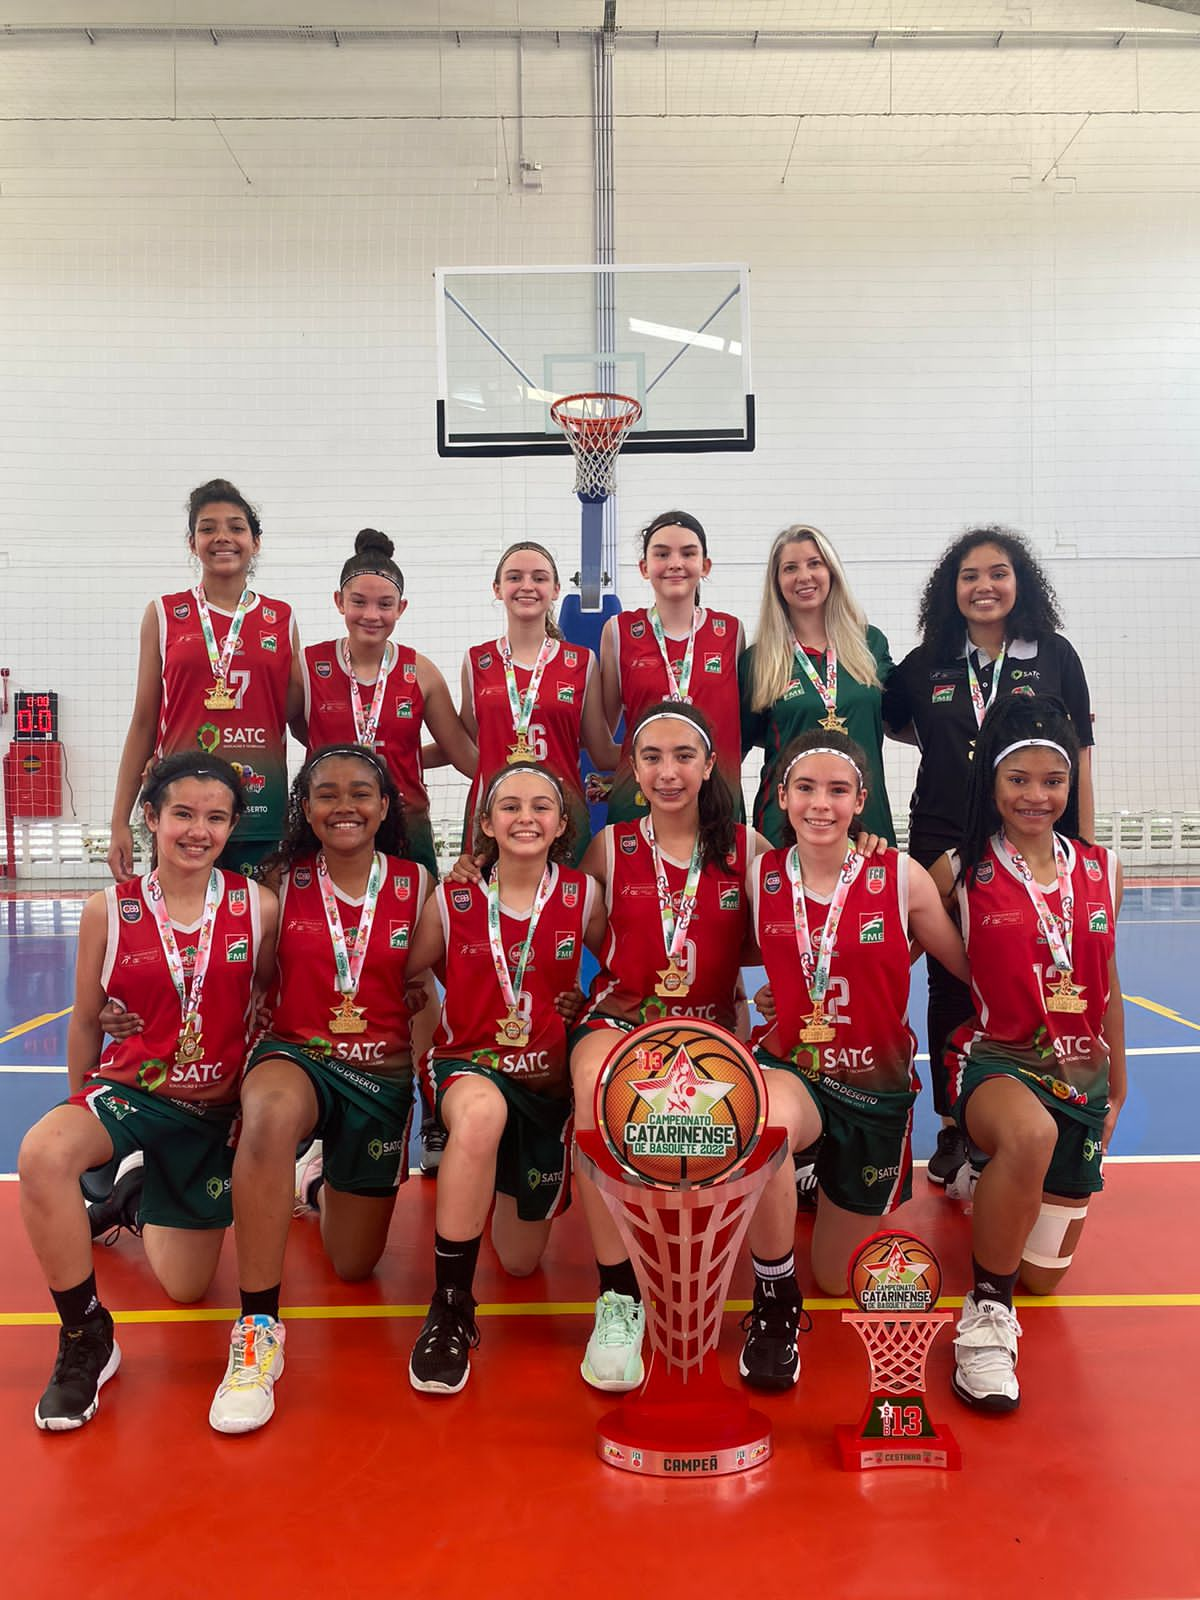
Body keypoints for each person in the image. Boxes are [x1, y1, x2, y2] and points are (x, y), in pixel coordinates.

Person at [18, 754, 276, 1430]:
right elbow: (83, 1019)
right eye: (183, 814)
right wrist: (82, 1124)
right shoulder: (110, 909)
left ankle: (133, 1196)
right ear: (152, 819)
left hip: (213, 1113)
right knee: (43, 1155)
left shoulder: (259, 908)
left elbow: (270, 1016)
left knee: (187, 1290)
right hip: (132, 1095)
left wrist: (256, 1102)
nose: (198, 830)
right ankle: (85, 1337)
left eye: (215, 817)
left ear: (230, 828)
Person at [205, 745, 430, 1433]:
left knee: (354, 1266)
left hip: (380, 1076)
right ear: (305, 806)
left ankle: (314, 1183)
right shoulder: (277, 880)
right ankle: (257, 1328)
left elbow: (437, 987)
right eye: (326, 793)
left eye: (361, 793)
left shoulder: (419, 884)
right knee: (270, 1115)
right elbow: (233, 973)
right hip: (296, 1054)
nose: (345, 806)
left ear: (385, 807)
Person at [743, 729, 969, 1389]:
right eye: (806, 788)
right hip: (796, 1073)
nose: (821, 804)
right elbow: (699, 944)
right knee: (766, 1132)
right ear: (781, 796)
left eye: (838, 791)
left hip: (876, 1088)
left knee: (837, 1278)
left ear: (860, 800)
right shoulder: (759, 873)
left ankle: (813, 1180)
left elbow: (965, 967)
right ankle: (773, 1305)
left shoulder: (897, 876)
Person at [883, 526, 1096, 1188]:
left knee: (1014, 969)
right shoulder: (926, 664)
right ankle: (954, 1126)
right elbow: (897, 724)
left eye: (998, 573)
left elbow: (1079, 754)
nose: (984, 586)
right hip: (943, 834)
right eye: (970, 575)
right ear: (951, 590)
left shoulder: (1054, 655)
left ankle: (1034, 1104)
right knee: (949, 976)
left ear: (1019, 583)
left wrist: (1084, 850)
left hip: (1025, 836)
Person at [930, 694, 1123, 1414]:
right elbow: (882, 933)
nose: (1037, 796)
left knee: (1045, 1276)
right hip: (997, 1064)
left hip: (1082, 1078)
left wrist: (1119, 1088)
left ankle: (995, 1179)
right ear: (994, 784)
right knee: (1029, 1136)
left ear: (1071, 785)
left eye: (1053, 780)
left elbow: (1107, 987)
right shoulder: (962, 866)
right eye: (1020, 780)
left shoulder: (1104, 869)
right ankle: (985, 1318)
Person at [570, 700, 762, 1392]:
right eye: (652, 757)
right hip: (627, 1024)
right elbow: (587, 933)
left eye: (685, 756)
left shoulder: (746, 848)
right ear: (634, 769)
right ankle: (618, 1295)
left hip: (711, 1031)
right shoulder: (610, 846)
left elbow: (789, 931)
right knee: (593, 1080)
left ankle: (741, 1282)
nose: (669, 771)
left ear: (710, 765)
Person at [404, 763, 603, 1395]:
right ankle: (451, 1307)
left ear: (561, 824)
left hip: (544, 1085)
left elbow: (624, 972)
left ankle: (478, 1181)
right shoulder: (451, 896)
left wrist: (581, 1004)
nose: (525, 817)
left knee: (518, 1262)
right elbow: (407, 974)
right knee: (481, 1115)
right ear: (485, 823)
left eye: (541, 806)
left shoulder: (584, 895)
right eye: (509, 806)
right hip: (469, 1066)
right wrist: (452, 1006)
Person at [107, 478, 301, 882]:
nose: (222, 537)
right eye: (207, 528)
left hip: (259, 807)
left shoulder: (281, 618)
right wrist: (118, 822)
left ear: (255, 541)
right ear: (192, 542)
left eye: (235, 527)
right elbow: (144, 721)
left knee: (260, 935)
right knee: (179, 937)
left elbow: (299, 717)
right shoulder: (163, 613)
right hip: (180, 809)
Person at [299, 528, 476, 879]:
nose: (371, 614)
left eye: (385, 604)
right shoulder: (306, 666)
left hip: (405, 823)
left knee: (414, 929)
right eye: (359, 601)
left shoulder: (421, 672)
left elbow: (461, 754)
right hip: (333, 820)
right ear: (339, 601)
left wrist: (530, 776)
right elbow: (295, 730)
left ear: (401, 608)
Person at [456, 542, 620, 865]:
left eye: (540, 578)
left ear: (556, 589)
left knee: (568, 909)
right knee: (492, 910)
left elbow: (601, 750)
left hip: (562, 815)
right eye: (515, 577)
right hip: (494, 816)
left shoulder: (582, 662)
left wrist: (665, 747)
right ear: (497, 588)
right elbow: (466, 744)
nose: (527, 586)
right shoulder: (477, 661)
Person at [740, 524, 896, 848]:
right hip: (786, 823)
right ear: (776, 581)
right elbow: (742, 739)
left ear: (831, 571)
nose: (804, 576)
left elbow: (897, 716)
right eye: (790, 568)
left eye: (814, 563)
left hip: (866, 820)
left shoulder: (869, 642)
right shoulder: (760, 659)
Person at [599, 511, 744, 821]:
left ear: (705, 566)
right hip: (641, 801)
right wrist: (638, 762)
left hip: (716, 798)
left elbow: (739, 729)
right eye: (662, 554)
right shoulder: (619, 631)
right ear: (644, 567)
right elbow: (603, 736)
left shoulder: (731, 632)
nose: (675, 563)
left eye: (688, 553)